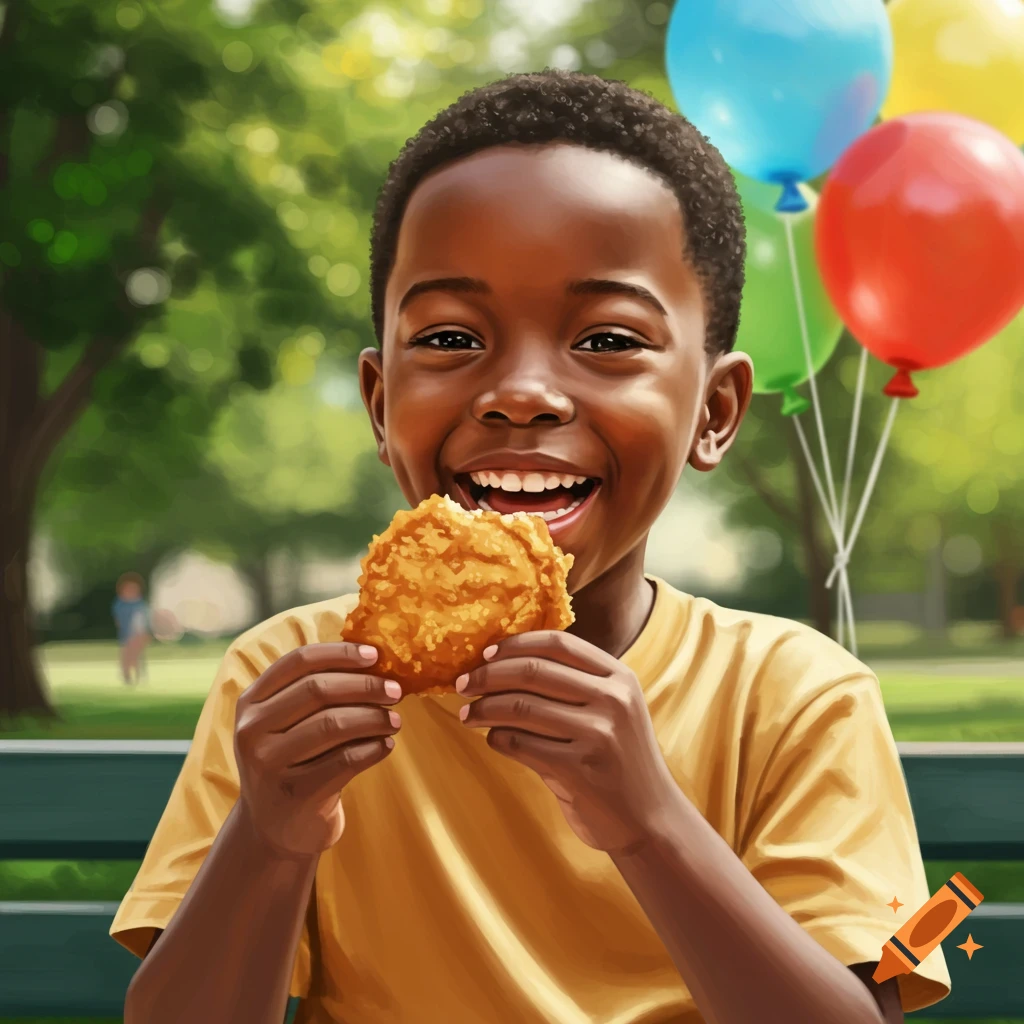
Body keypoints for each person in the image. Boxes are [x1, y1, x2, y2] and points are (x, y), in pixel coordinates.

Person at [112, 72, 950, 1024]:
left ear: (715, 411)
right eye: (450, 337)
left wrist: (650, 823)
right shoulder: (288, 682)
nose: (521, 394)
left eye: (608, 340)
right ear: (381, 405)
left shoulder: (793, 697)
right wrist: (269, 837)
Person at [112, 572, 151, 686]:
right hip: (126, 634)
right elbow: (119, 620)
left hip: (138, 634)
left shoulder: (140, 604)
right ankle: (127, 675)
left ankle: (138, 674)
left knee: (137, 655)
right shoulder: (120, 605)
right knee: (126, 655)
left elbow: (144, 620)